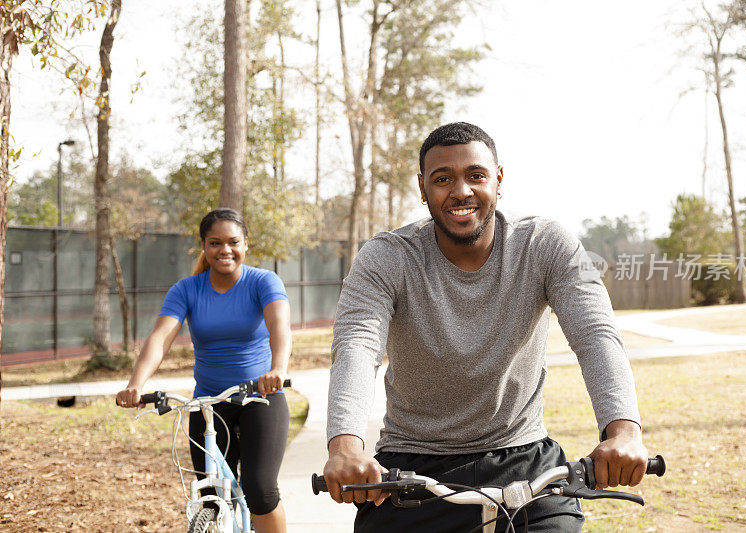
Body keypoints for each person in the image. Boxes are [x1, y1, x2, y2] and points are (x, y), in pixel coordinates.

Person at [322, 122, 648, 532]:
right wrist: (345, 445)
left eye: (476, 176)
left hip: (524, 459)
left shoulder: (546, 244)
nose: (461, 191)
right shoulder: (387, 257)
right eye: (443, 179)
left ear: (498, 180)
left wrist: (623, 430)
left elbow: (596, 334)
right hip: (412, 466)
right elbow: (356, 345)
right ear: (423, 189)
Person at [117, 208, 291, 533]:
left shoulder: (263, 281)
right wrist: (135, 384)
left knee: (260, 489)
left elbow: (280, 327)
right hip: (208, 405)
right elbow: (160, 338)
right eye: (215, 243)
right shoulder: (187, 289)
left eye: (233, 242)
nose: (225, 250)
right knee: (210, 496)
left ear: (246, 244)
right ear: (204, 247)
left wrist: (277, 369)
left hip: (260, 398)